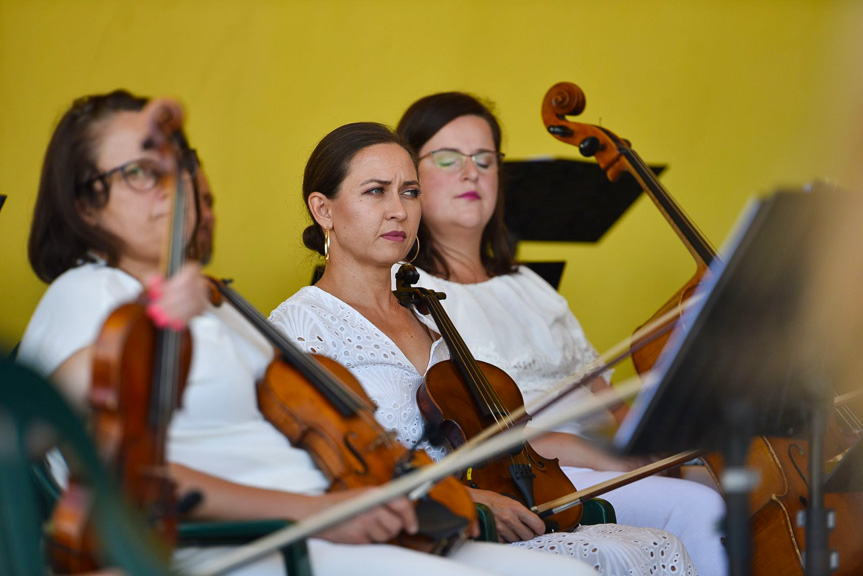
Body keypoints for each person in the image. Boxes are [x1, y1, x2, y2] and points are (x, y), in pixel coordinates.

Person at [17, 90, 593, 576]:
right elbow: (98, 460)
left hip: (337, 519)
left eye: (177, 164)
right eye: (141, 172)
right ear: (85, 203)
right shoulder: (92, 294)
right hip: (263, 544)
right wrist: (319, 510)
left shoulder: (206, 303)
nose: (172, 185)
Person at [269, 122, 698, 575]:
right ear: (323, 209)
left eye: (410, 192)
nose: (398, 210)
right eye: (376, 192)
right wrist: (463, 498)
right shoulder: (301, 323)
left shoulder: (428, 314)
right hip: (403, 533)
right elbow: (318, 466)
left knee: (657, 544)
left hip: (480, 515)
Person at [391, 91, 728, 576]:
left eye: (485, 159)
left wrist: (647, 443)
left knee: (725, 484)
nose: (472, 172)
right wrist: (596, 456)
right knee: (698, 507)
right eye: (449, 158)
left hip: (604, 460)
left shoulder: (529, 284)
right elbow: (464, 433)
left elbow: (600, 390)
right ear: (412, 177)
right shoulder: (416, 291)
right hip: (536, 475)